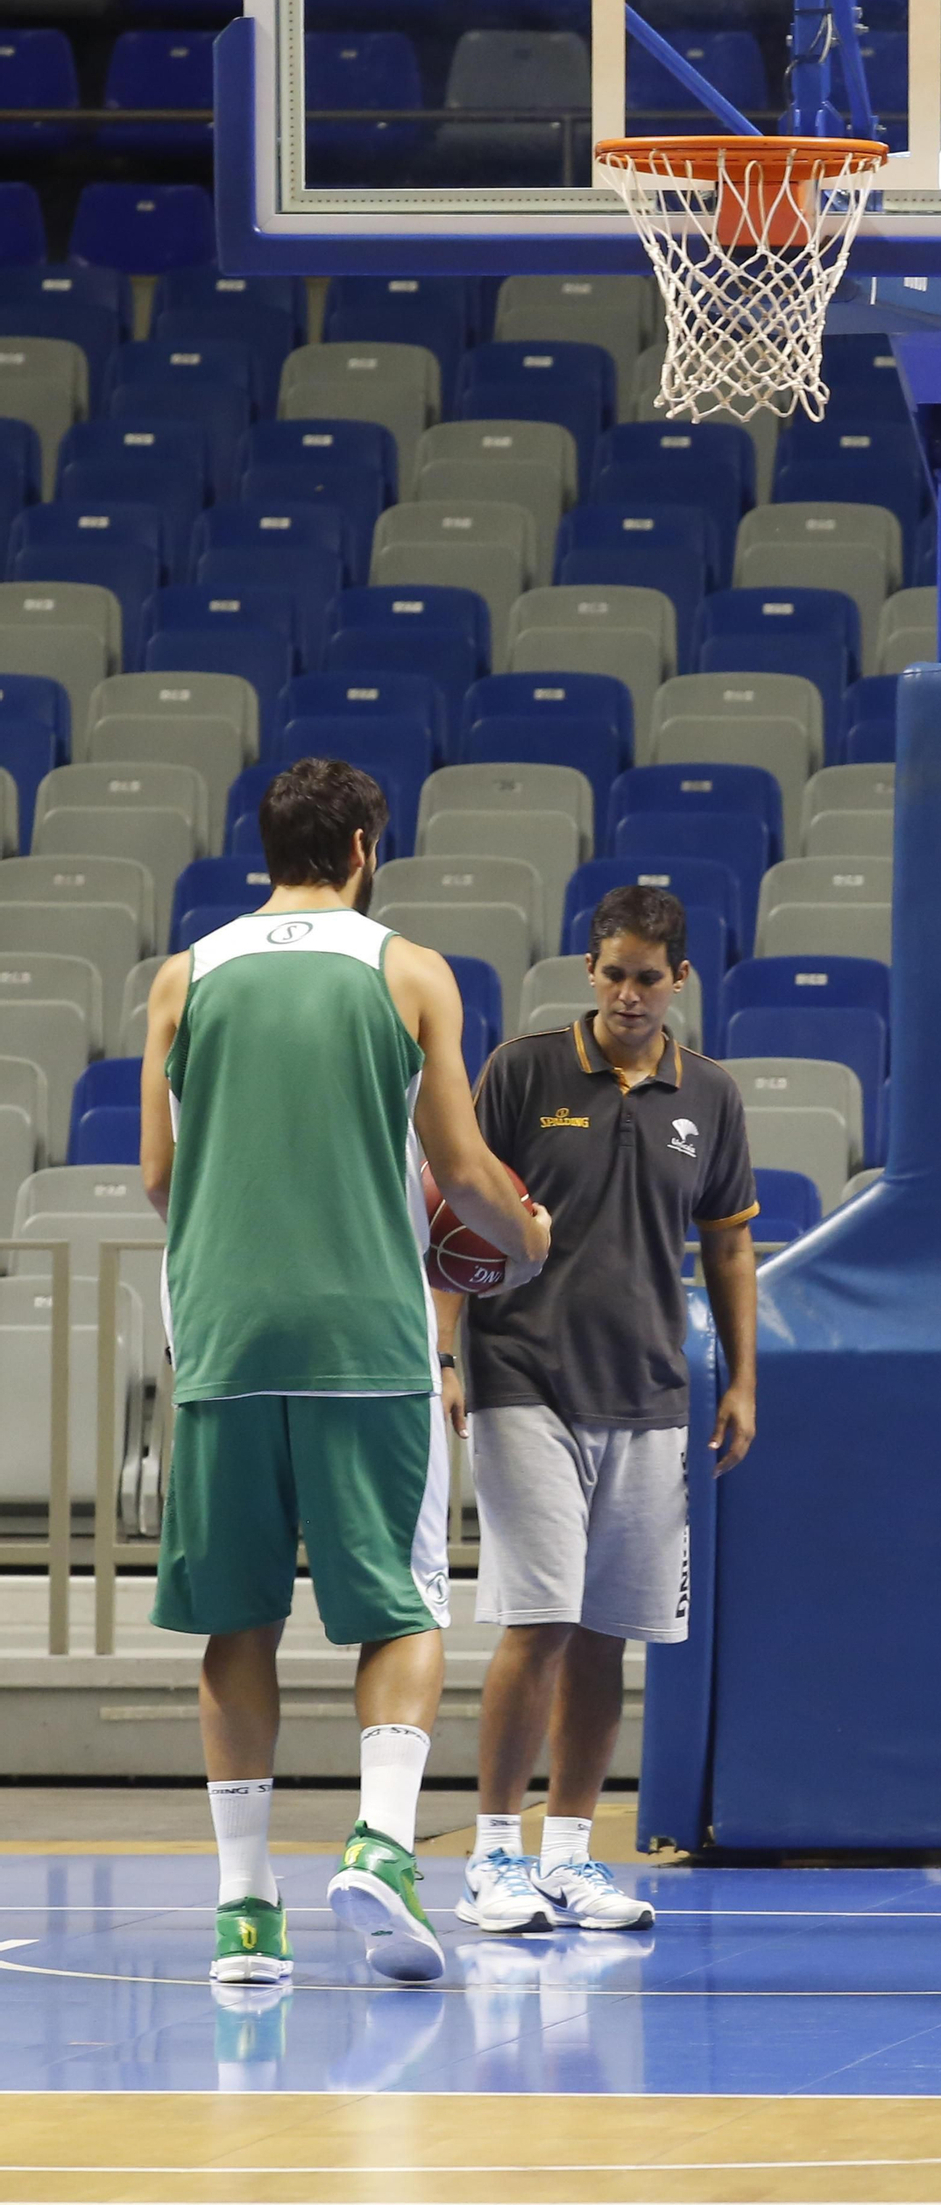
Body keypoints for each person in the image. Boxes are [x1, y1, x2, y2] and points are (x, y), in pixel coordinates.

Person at [141, 758, 551, 1989]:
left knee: (237, 1618)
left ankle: (245, 1913)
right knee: (402, 1602)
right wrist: (527, 1234)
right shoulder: (408, 972)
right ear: (367, 845)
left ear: (262, 846)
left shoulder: (184, 975)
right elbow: (464, 1167)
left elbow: (159, 1178)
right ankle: (379, 1833)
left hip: (222, 1335)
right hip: (365, 1338)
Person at [435, 883, 758, 1935]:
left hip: (652, 1388)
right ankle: (493, 1854)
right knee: (540, 1616)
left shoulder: (709, 1093)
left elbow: (727, 1246)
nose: (628, 994)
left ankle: (571, 1854)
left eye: (647, 978)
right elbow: (458, 1216)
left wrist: (742, 1378)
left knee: (607, 1634)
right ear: (590, 969)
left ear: (680, 981)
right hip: (524, 1372)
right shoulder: (523, 1071)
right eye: (613, 973)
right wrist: (445, 1350)